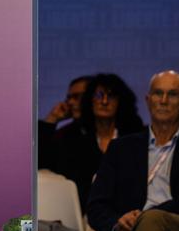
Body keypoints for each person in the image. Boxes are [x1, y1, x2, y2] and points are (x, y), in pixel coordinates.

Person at [87, 70, 179, 231]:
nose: (163, 101)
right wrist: (117, 224)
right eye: (157, 93)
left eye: (173, 94)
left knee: (151, 221)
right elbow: (96, 205)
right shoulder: (120, 148)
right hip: (127, 228)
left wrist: (142, 217)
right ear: (148, 100)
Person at [50, 73, 143, 211]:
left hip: (129, 211)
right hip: (84, 211)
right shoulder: (73, 136)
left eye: (111, 96)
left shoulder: (134, 134)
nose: (104, 101)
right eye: (98, 96)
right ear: (89, 100)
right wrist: (51, 119)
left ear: (121, 101)